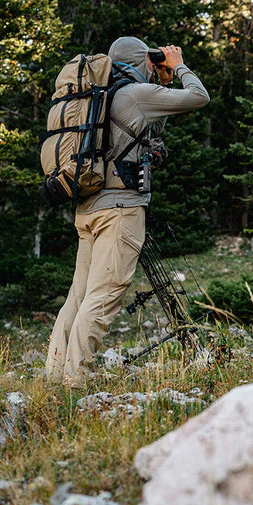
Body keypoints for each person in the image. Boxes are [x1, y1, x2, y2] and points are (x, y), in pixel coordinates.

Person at [46, 36, 209, 387]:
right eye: (151, 60)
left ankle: (56, 373)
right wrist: (179, 65)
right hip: (120, 211)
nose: (155, 65)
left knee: (79, 296)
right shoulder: (135, 95)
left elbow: (147, 130)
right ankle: (77, 379)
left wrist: (162, 80)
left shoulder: (102, 97)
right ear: (139, 60)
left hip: (88, 209)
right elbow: (199, 97)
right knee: (104, 295)